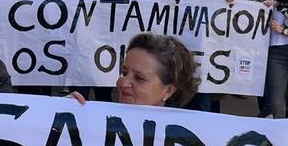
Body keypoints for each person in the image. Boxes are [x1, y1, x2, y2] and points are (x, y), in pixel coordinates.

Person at [67, 33, 199, 107]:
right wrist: (57, 116)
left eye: (139, 78)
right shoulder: (94, 126)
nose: (123, 83)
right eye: (124, 73)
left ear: (168, 91)